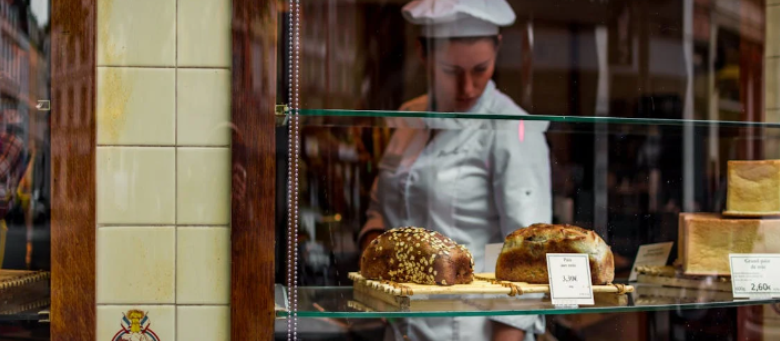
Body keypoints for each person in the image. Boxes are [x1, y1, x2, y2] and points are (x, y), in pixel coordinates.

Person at [357, 0, 552, 340]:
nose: (467, 88)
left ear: (498, 50)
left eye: (480, 69)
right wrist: (377, 258)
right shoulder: (409, 116)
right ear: (423, 54)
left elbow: (529, 262)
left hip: (468, 331)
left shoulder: (514, 128)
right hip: (400, 326)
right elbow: (380, 209)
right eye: (451, 71)